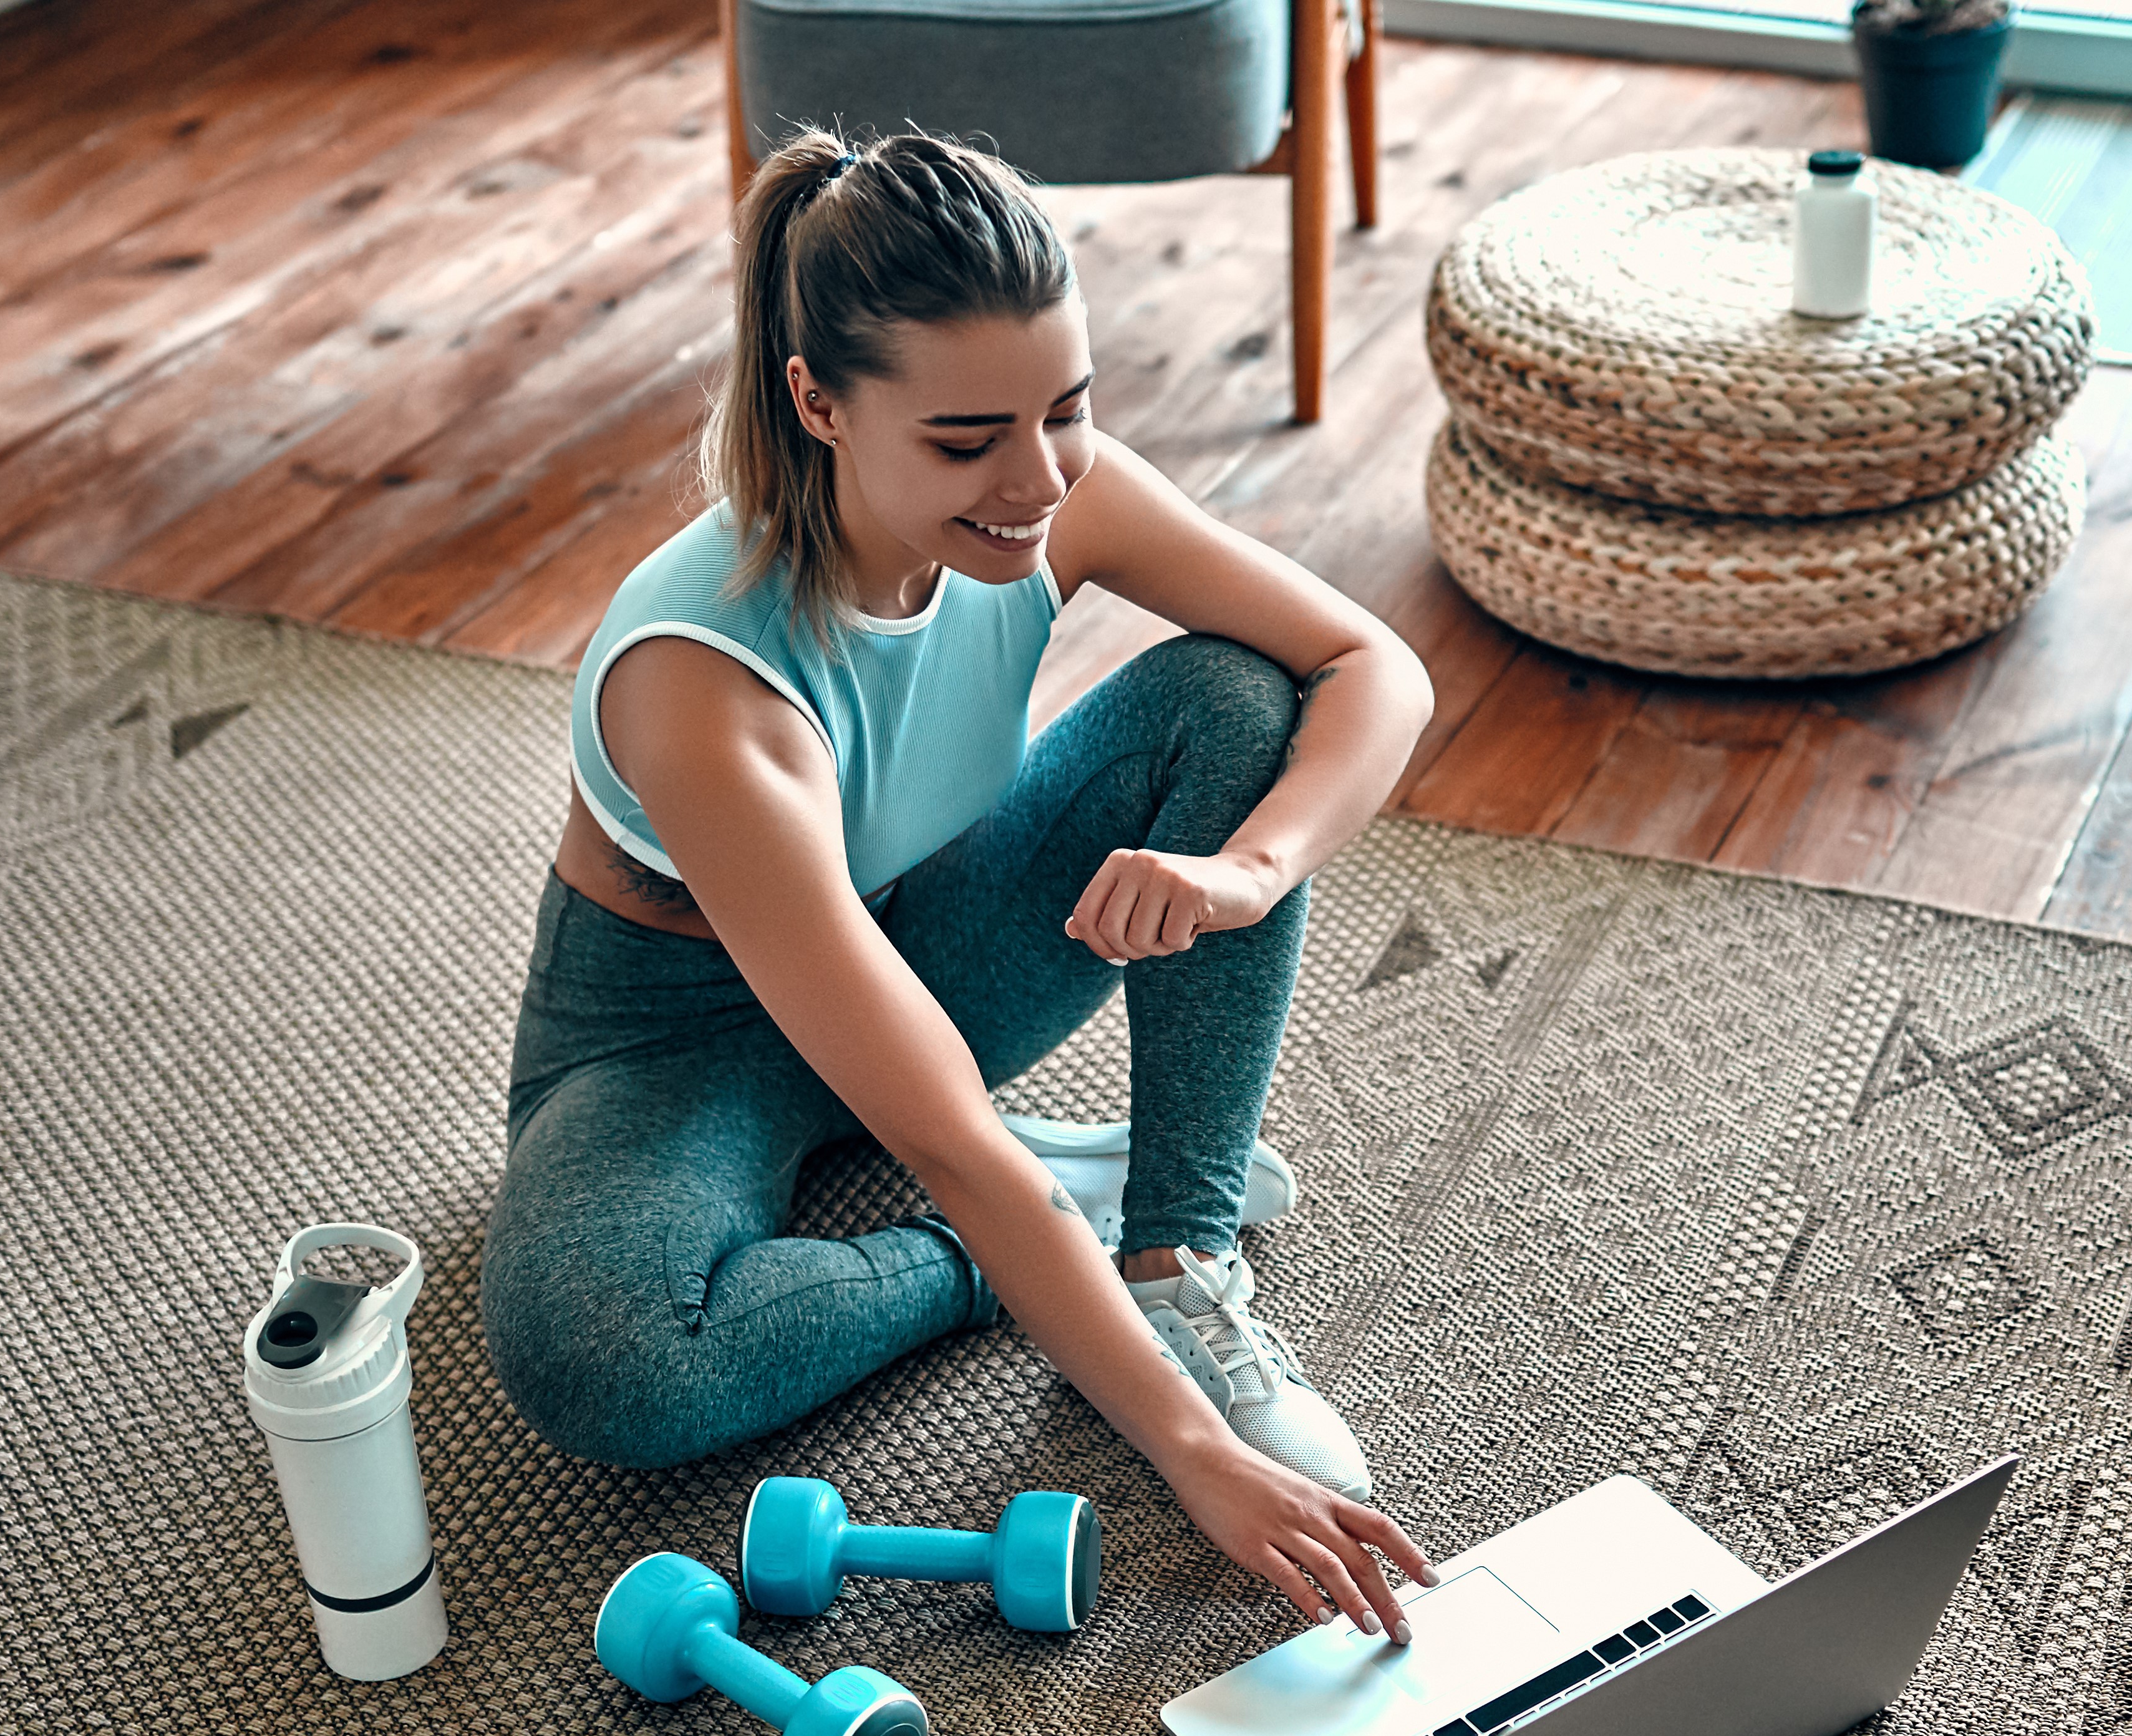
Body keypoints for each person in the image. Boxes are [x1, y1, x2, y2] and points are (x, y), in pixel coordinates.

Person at [483, 129, 1439, 1641]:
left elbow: (1368, 664)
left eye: (1068, 410)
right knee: (611, 1355)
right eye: (968, 439)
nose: (1038, 477)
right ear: (818, 402)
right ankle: (1022, 1244)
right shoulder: (704, 684)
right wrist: (1191, 1458)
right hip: (670, 1033)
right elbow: (941, 1131)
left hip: (912, 934)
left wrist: (1251, 871)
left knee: (1237, 705)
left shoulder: (1055, 493)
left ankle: (1172, 1240)